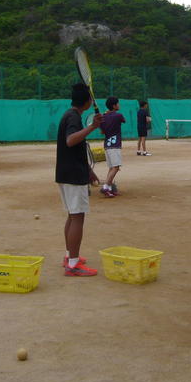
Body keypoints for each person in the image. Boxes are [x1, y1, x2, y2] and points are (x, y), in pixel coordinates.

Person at [56, 83, 102, 276]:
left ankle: (69, 256)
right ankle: (73, 265)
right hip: (73, 176)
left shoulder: (70, 115)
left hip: (68, 173)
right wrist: (92, 126)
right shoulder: (74, 117)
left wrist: (89, 171)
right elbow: (71, 140)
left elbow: (74, 147)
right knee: (77, 217)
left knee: (72, 215)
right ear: (88, 101)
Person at [100, 96, 126, 197]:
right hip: (115, 145)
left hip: (107, 145)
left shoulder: (103, 117)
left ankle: (109, 189)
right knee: (115, 167)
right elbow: (123, 120)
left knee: (112, 168)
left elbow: (102, 131)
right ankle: (105, 187)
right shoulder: (118, 115)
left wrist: (106, 115)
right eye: (117, 104)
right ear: (114, 105)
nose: (119, 105)